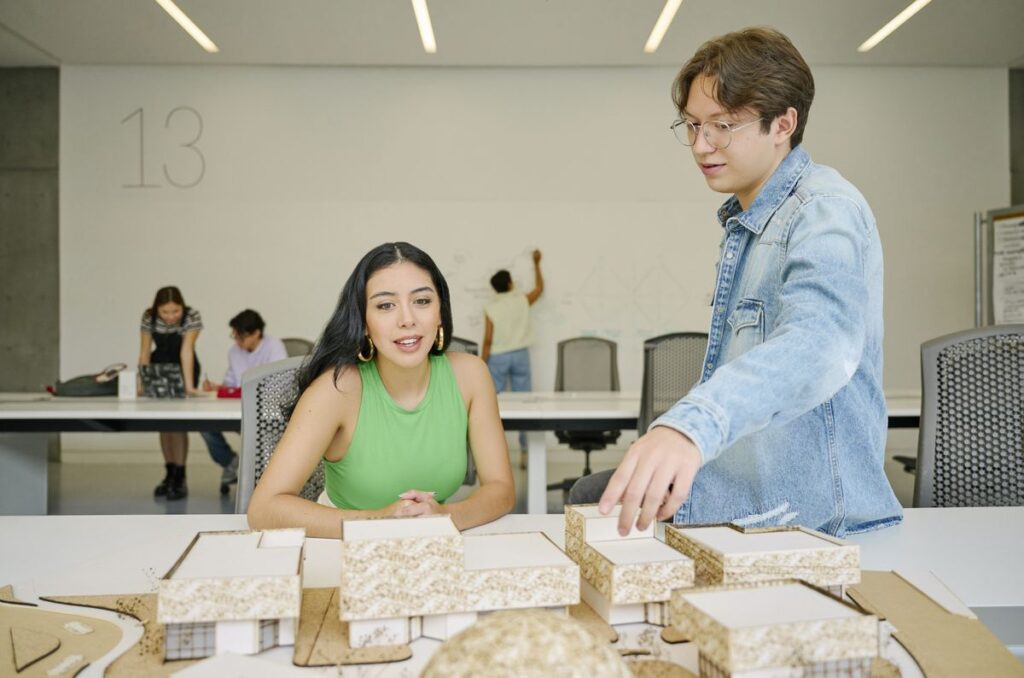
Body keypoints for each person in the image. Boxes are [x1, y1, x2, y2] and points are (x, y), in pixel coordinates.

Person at [580, 27, 902, 538]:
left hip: (813, 525)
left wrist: (692, 426)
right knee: (597, 505)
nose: (700, 145)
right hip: (749, 505)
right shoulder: (751, 221)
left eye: (722, 126)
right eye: (692, 125)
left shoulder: (824, 211)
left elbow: (820, 343)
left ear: (783, 124)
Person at [247, 242, 515, 538]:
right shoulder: (336, 390)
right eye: (385, 305)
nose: (407, 319)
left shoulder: (471, 375)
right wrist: (379, 522)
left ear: (440, 311)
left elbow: (501, 488)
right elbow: (263, 509)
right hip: (340, 543)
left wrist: (445, 517)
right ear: (363, 322)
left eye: (422, 301)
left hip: (432, 544)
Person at [201, 309, 288, 494]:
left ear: (256, 333)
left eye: (241, 337)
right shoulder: (234, 352)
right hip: (239, 408)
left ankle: (265, 479)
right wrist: (217, 387)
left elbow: (280, 382)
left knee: (265, 439)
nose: (237, 342)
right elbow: (231, 383)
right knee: (205, 425)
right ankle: (230, 462)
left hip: (267, 409)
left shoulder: (274, 346)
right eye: (235, 336)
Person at [138, 286, 202, 500]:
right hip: (158, 368)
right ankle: (169, 473)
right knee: (164, 424)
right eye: (165, 312)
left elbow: (186, 351)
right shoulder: (148, 317)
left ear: (182, 307)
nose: (170, 316)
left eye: (175, 311)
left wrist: (189, 386)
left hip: (184, 368)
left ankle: (180, 476)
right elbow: (145, 352)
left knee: (178, 424)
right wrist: (142, 381)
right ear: (157, 309)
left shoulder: (192, 316)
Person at [481, 249, 544, 454]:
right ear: (509, 284)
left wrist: (482, 362)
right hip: (520, 355)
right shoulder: (522, 301)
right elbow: (539, 289)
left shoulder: (491, 308)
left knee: (492, 404)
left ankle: (493, 450)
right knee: (524, 403)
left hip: (498, 356)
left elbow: (488, 339)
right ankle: (526, 450)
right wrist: (536, 263)